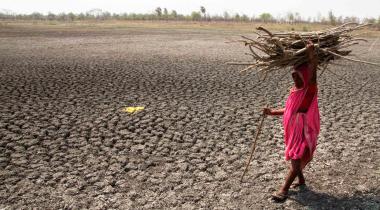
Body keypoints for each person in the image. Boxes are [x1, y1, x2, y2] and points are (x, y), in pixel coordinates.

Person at [263, 41, 320, 202]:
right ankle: (301, 180)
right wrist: (272, 112)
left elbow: (313, 75)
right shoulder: (294, 93)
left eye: (298, 75)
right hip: (292, 131)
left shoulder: (309, 91)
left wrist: (311, 57)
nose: (294, 78)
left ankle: (283, 190)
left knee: (295, 160)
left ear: (305, 77)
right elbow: (289, 111)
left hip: (303, 132)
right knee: (295, 156)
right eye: (293, 75)